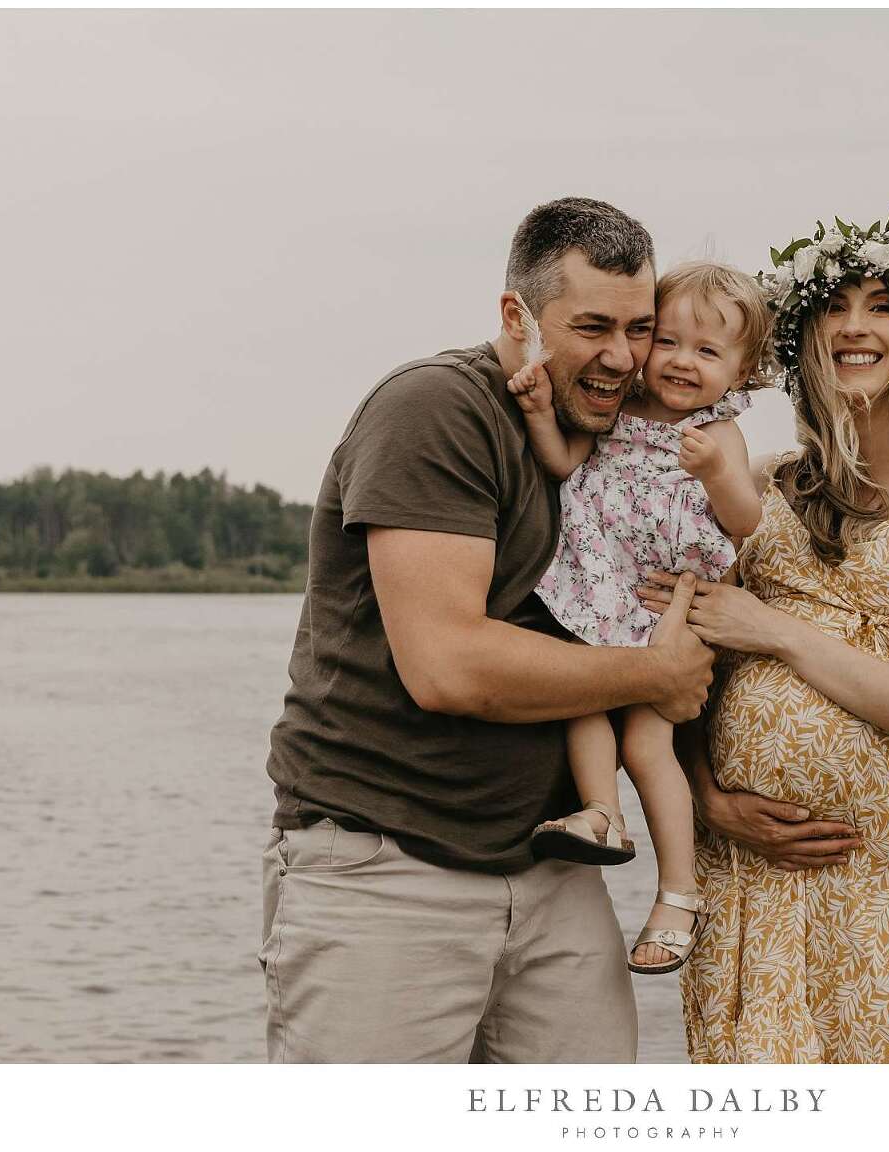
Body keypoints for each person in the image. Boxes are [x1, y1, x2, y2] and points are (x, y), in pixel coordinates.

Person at [260, 197, 715, 1063]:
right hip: (387, 868)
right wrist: (652, 676)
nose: (621, 358)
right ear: (517, 316)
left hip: (556, 869)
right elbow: (450, 665)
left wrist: (713, 795)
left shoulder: (624, 439)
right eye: (590, 327)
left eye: (638, 328)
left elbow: (659, 637)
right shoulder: (436, 409)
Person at [639, 200, 889, 1062]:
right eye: (833, 309)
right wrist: (712, 801)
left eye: (882, 306)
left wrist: (777, 631)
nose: (855, 329)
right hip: (755, 888)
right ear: (803, 342)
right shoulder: (761, 485)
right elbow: (673, 669)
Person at [505, 262, 767, 975]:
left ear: (742, 370)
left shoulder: (720, 433)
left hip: (669, 602)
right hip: (602, 587)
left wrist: (715, 471)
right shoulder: (619, 412)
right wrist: (535, 414)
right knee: (583, 699)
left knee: (649, 742)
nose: (683, 362)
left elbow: (745, 521)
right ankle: (601, 813)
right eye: (670, 341)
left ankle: (679, 892)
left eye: (708, 352)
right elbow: (565, 466)